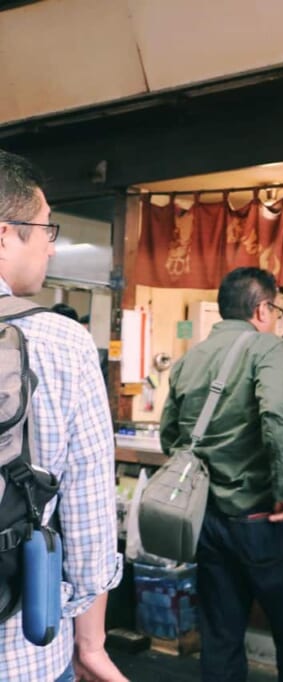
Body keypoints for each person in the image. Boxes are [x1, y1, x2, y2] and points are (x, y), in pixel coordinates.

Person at [160, 267, 283, 682]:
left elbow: (169, 437)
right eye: (276, 307)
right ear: (262, 308)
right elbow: (280, 415)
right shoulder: (269, 350)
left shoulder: (189, 358)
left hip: (209, 522)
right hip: (264, 519)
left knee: (220, 637)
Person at [0, 150, 127, 682]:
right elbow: (90, 517)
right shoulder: (61, 342)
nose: (52, 245)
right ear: (5, 234)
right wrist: (90, 642)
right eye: (44, 228)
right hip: (21, 652)